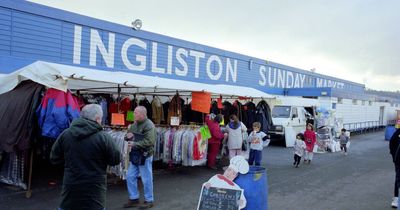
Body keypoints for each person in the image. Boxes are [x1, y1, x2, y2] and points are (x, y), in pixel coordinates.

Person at [50, 104, 121, 210]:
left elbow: (54, 158)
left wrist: (70, 165)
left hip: (71, 185)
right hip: (95, 188)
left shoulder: (66, 134)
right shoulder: (104, 137)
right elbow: (115, 159)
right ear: (97, 119)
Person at [123, 106, 157, 209]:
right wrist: (127, 137)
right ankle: (134, 198)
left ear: (142, 114)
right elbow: (127, 136)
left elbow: (150, 141)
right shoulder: (134, 125)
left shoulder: (149, 125)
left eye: (136, 113)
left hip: (145, 156)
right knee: (130, 176)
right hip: (136, 155)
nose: (134, 114)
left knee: (146, 179)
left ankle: (149, 200)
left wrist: (134, 144)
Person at [389, 128, 400, 208]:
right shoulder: (398, 132)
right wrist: (394, 156)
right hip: (399, 161)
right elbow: (391, 143)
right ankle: (396, 198)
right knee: (398, 178)